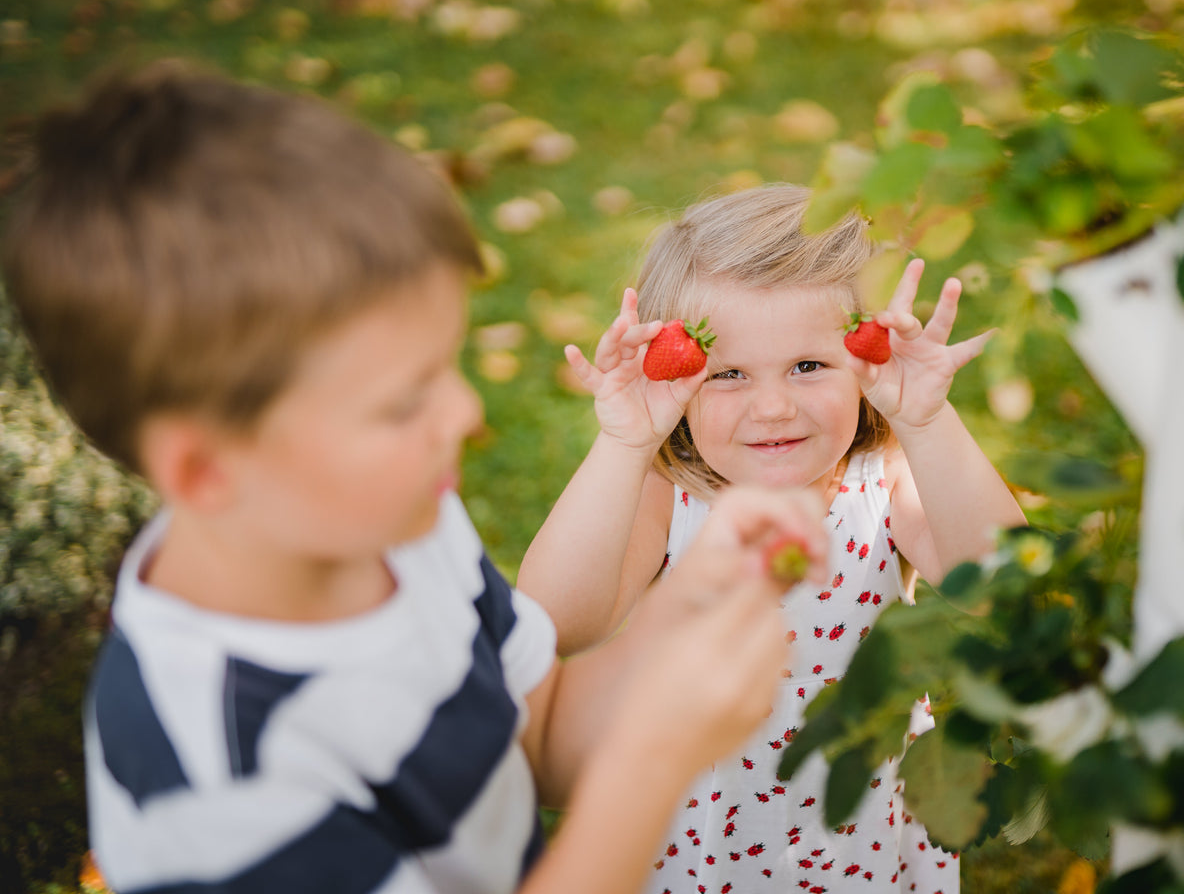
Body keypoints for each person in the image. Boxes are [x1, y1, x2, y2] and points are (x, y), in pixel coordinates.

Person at [0, 63, 832, 894]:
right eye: (402, 403)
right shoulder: (217, 776)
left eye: (446, 368)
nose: (466, 412)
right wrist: (651, 763)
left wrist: (678, 619)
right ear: (207, 469)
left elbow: (537, 740)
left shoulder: (401, 529)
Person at [518, 184, 1027, 893]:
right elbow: (551, 623)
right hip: (700, 820)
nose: (773, 406)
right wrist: (623, 444)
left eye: (809, 365)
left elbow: (1006, 596)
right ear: (680, 382)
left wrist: (927, 422)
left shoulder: (885, 483)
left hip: (856, 818)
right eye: (727, 374)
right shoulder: (671, 498)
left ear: (865, 359)